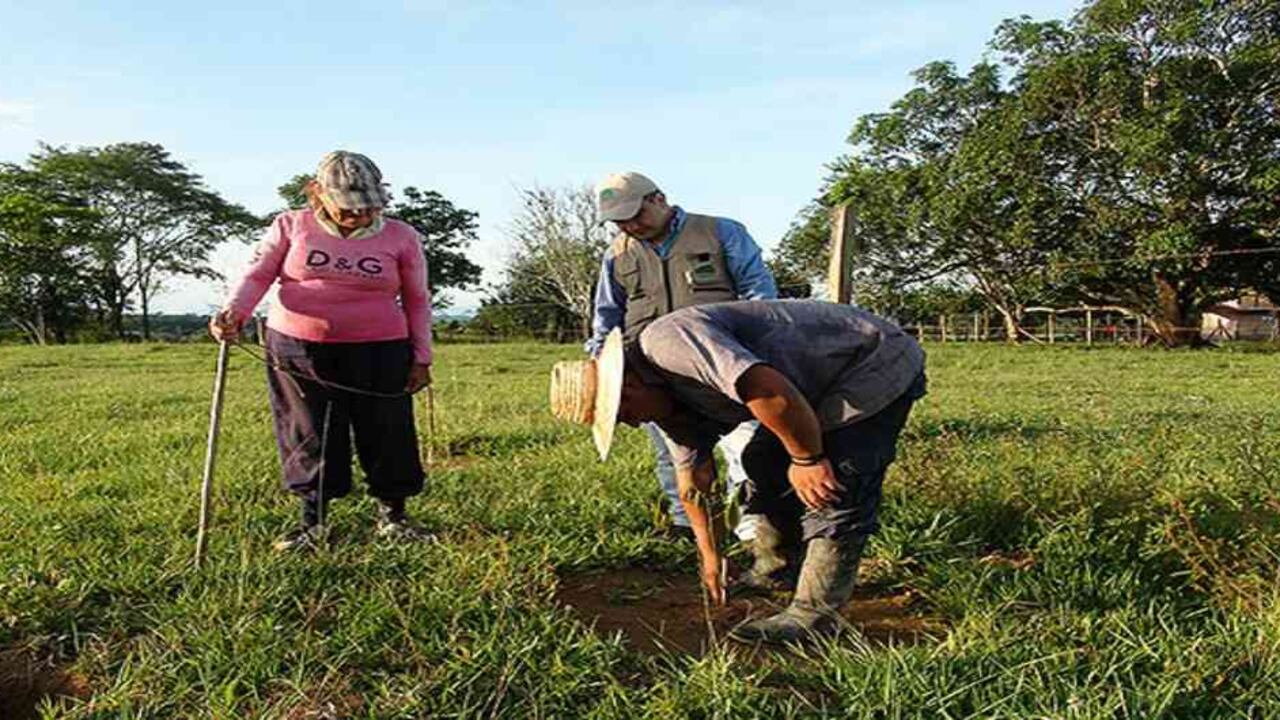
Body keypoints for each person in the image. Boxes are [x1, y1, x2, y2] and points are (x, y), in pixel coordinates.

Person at [550, 300, 926, 644]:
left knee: (836, 478)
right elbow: (694, 481)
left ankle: (817, 615)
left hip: (868, 361)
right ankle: (778, 566)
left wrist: (807, 460)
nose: (631, 424)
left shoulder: (671, 345)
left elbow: (767, 391)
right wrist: (710, 559)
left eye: (622, 415)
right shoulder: (665, 402)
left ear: (628, 387)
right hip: (809, 385)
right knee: (763, 460)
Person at [208, 150, 434, 552]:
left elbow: (417, 298)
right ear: (317, 194)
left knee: (387, 431)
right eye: (349, 210)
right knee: (309, 430)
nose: (360, 217)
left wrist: (421, 357)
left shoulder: (401, 236)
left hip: (381, 350)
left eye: (369, 209)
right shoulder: (290, 226)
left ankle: (394, 518)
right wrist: (234, 312)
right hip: (299, 349)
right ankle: (313, 524)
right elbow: (258, 273)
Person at [586, 171, 777, 551]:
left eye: (635, 214)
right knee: (673, 452)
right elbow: (607, 315)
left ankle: (752, 527)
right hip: (653, 375)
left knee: (745, 447)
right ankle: (684, 523)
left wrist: (751, 349)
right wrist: (598, 361)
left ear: (658, 199)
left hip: (723, 364)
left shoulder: (722, 232)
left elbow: (760, 294)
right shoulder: (617, 253)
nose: (630, 225)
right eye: (620, 220)